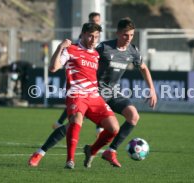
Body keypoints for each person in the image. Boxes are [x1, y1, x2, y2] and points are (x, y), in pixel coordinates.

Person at [28, 17, 157, 168]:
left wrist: (152, 89)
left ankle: (107, 151)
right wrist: (64, 49)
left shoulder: (131, 51)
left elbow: (143, 68)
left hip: (110, 93)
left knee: (132, 116)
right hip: (95, 92)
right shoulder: (102, 48)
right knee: (74, 124)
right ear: (117, 33)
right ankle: (43, 152)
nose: (128, 38)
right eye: (125, 35)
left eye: (131, 35)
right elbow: (73, 59)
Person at [28, 22, 120, 169]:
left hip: (94, 97)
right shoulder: (71, 49)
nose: (93, 40)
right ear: (83, 34)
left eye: (96, 37)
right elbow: (53, 67)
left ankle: (91, 150)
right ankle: (69, 160)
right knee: (76, 121)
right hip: (76, 94)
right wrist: (60, 47)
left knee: (114, 128)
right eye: (90, 36)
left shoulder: (96, 54)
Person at [52, 12, 104, 136]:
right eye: (93, 20)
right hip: (80, 79)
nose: (95, 22)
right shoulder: (81, 41)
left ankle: (60, 123)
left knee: (84, 112)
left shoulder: (99, 40)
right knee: (77, 113)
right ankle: (99, 128)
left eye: (97, 20)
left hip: (95, 77)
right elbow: (72, 55)